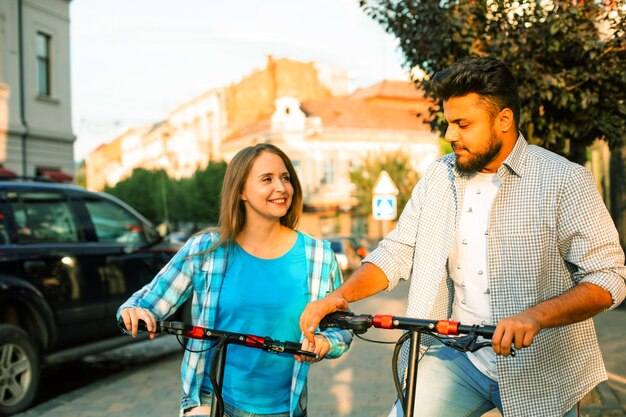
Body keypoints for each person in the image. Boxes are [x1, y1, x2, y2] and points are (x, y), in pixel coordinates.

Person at [300, 56, 626, 417]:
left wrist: (534, 316)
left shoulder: (564, 180)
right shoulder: (438, 176)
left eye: (462, 124)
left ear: (503, 120)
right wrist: (339, 296)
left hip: (542, 368)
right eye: (447, 123)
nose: (449, 135)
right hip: (455, 356)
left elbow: (608, 276)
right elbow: (397, 250)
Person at [119, 143, 352, 417]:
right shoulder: (205, 250)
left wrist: (326, 343)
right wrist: (134, 311)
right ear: (240, 191)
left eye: (285, 177)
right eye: (267, 179)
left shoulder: (319, 256)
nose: (281, 187)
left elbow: (342, 328)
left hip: (284, 407)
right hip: (212, 401)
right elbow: (146, 301)